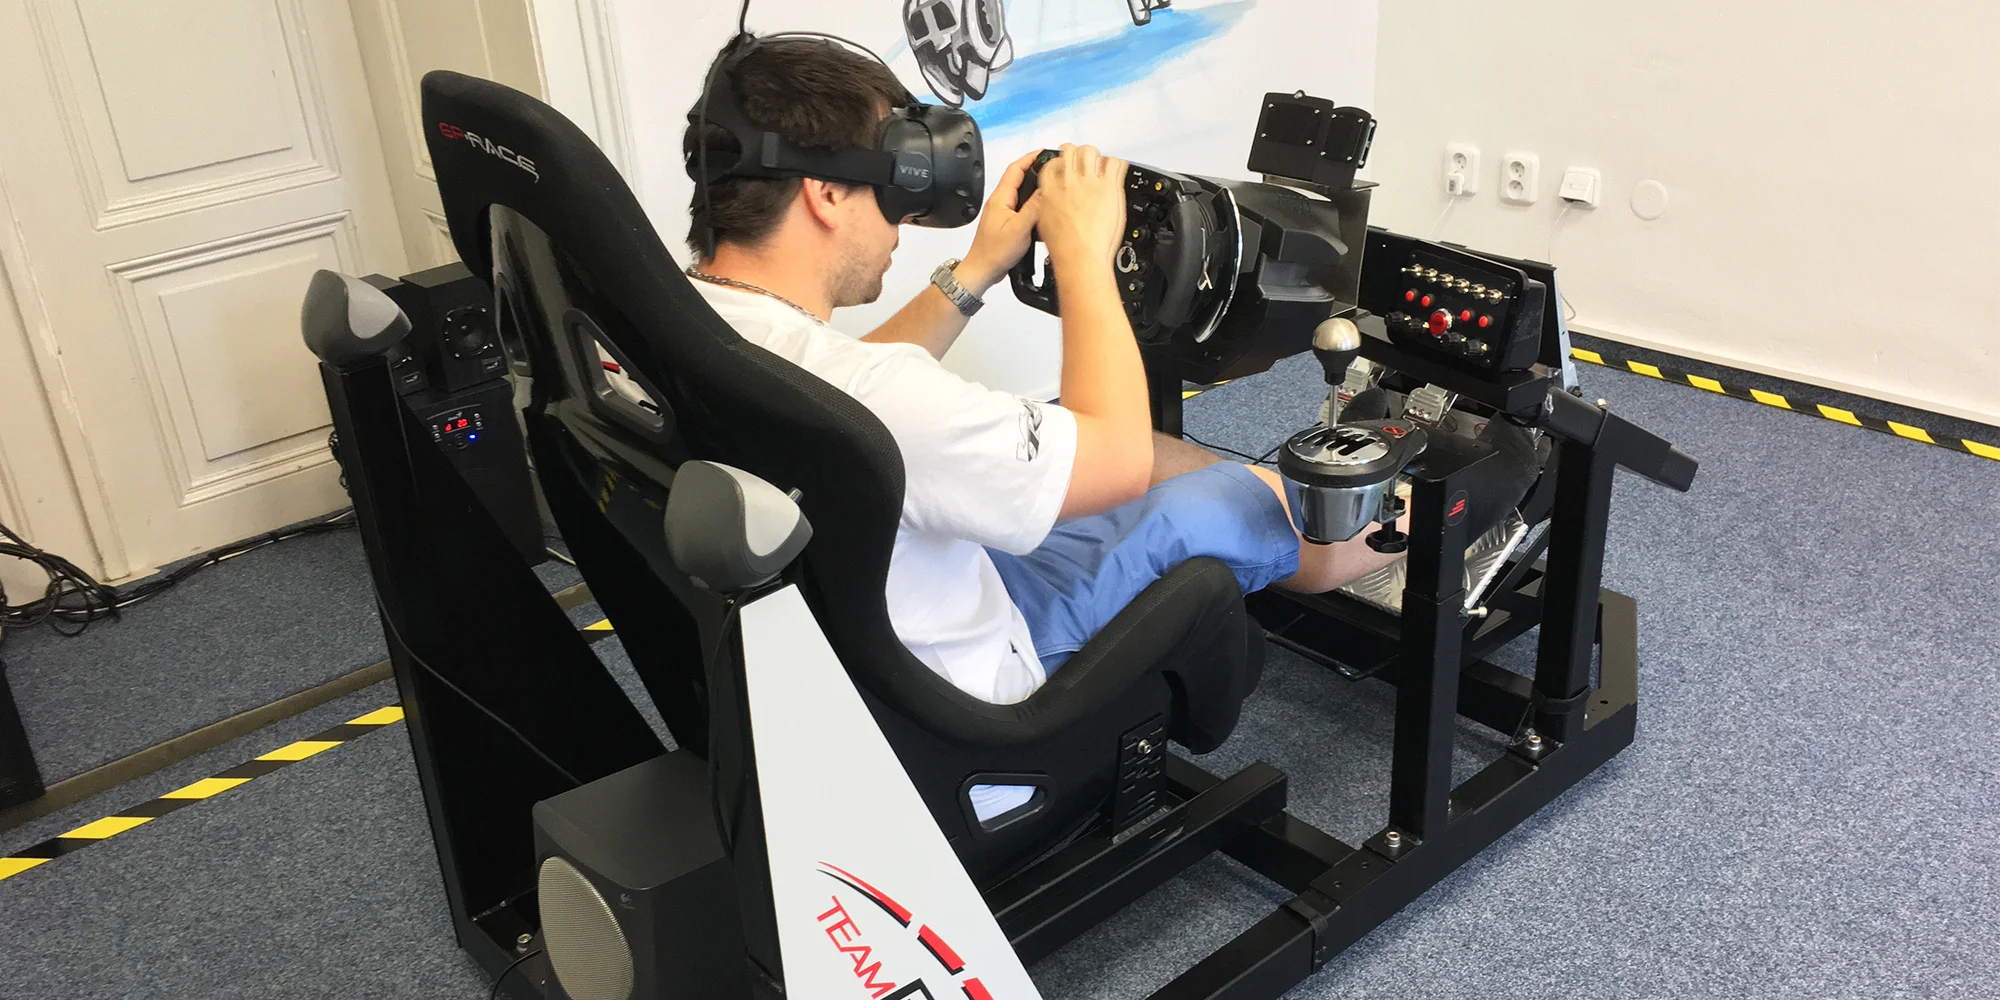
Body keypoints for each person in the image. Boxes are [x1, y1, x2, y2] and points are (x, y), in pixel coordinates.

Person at [680, 37, 1432, 710]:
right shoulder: (885, 398)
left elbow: (848, 384)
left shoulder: (698, 327)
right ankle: (1416, 527)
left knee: (1169, 462)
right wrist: (1083, 257)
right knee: (1229, 500)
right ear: (825, 193)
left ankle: (1325, 514)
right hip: (972, 691)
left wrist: (978, 268)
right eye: (895, 188)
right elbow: (1114, 460)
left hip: (862, 632)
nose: (903, 219)